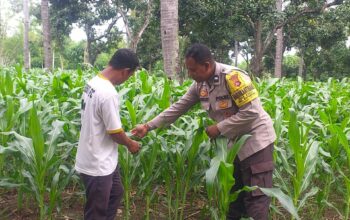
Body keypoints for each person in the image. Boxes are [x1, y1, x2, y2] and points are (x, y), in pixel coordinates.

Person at [132, 43, 276, 220]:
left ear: (207, 65)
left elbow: (252, 112)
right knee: (234, 197)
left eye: (193, 70)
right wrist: (147, 126)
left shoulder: (233, 77)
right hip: (233, 147)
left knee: (256, 198)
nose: (190, 75)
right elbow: (179, 107)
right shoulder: (200, 85)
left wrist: (219, 128)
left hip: (256, 143)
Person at [75, 48, 141, 220]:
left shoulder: (93, 82)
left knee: (115, 193)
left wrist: (124, 134)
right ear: (125, 71)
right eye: (129, 76)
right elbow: (115, 133)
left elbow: (101, 123)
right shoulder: (108, 92)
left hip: (102, 158)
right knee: (96, 212)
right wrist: (131, 144)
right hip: (97, 163)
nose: (126, 80)